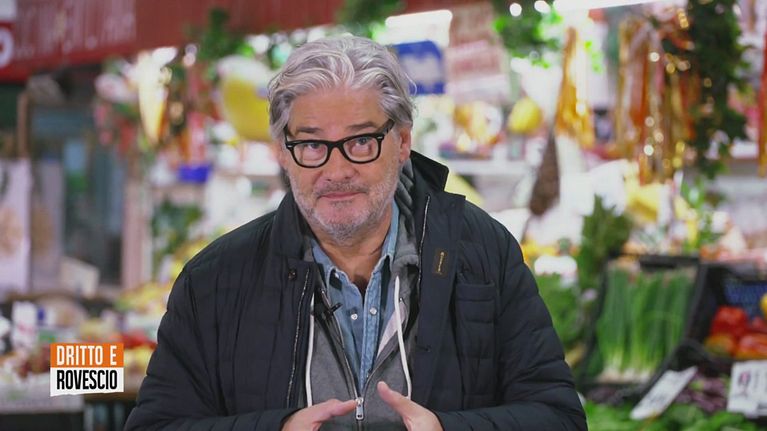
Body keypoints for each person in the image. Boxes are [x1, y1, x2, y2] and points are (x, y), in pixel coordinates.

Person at [125, 35, 587, 431]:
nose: (337, 170)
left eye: (362, 141)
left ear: (402, 142)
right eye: (311, 144)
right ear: (283, 152)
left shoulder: (484, 252)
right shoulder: (214, 279)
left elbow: (559, 417)